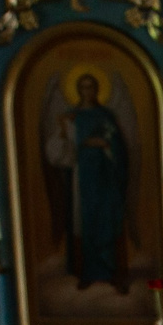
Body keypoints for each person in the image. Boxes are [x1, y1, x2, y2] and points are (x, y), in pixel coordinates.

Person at [44, 70, 132, 293]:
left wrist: (105, 145)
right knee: (85, 223)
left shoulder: (106, 116)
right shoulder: (71, 117)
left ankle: (112, 271)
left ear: (97, 89)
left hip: (106, 179)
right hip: (81, 180)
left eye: (90, 86)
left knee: (107, 222)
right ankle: (88, 272)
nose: (87, 91)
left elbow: (119, 149)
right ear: (78, 90)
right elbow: (58, 154)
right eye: (82, 87)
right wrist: (64, 131)